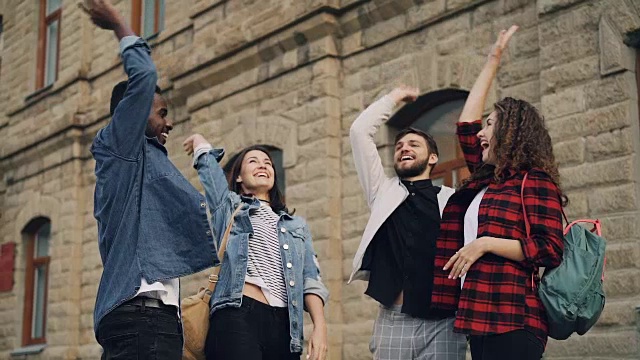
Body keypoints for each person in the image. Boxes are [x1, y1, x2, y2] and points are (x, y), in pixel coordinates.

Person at [87, 1, 216, 359]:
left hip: (148, 322)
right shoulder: (121, 149)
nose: (169, 123)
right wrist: (118, 24)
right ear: (133, 112)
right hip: (143, 320)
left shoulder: (142, 170)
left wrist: (207, 160)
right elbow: (143, 77)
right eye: (162, 113)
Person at [435, 26, 565, 360]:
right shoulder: (487, 178)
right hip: (479, 319)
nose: (481, 132)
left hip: (515, 319)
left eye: (490, 125)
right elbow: (465, 124)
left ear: (509, 133)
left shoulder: (533, 181)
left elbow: (550, 248)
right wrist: (493, 59)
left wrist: (484, 243)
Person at [182, 136, 330, 360]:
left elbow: (311, 279)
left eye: (268, 163)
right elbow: (211, 175)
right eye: (253, 161)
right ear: (239, 176)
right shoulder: (230, 206)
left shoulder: (296, 225)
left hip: (286, 327)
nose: (262, 165)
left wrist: (320, 328)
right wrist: (202, 146)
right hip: (238, 314)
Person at [348, 87, 467, 359]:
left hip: (443, 323)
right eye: (399, 146)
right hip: (393, 321)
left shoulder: (453, 200)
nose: (404, 149)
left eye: (414, 145)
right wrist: (395, 97)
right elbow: (359, 132)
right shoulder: (382, 192)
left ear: (433, 158)